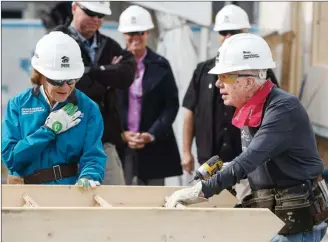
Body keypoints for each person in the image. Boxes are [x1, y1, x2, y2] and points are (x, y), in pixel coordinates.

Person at [165, 33, 328, 242]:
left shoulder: (283, 108)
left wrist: (202, 190)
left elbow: (249, 159)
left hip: (296, 227)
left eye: (225, 77)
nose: (217, 85)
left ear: (249, 82)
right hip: (275, 222)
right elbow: (253, 161)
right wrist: (218, 174)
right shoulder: (255, 109)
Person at [182, 4, 278, 202]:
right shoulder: (203, 70)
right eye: (223, 32)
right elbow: (189, 111)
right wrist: (185, 152)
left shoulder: (260, 71)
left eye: (233, 32)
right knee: (208, 221)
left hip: (245, 164)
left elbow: (271, 114)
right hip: (210, 161)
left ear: (245, 32)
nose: (228, 36)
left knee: (241, 218)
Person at [1, 31, 106, 188]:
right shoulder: (18, 104)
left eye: (71, 80)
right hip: (24, 192)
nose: (65, 87)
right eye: (57, 80)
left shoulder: (89, 108)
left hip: (67, 192)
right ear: (41, 75)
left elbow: (93, 156)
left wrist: (89, 176)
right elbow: (11, 160)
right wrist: (48, 130)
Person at [52, 1, 137, 185]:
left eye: (101, 15)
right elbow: (76, 86)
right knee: (68, 206)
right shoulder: (56, 40)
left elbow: (127, 75)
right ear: (74, 7)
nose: (96, 19)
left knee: (116, 204)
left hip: (103, 140)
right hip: (64, 141)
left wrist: (91, 71)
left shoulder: (109, 44)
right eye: (91, 13)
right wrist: (107, 77)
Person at [116, 5, 183, 186]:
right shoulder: (113, 65)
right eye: (131, 32)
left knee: (154, 199)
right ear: (123, 34)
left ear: (147, 33)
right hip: (121, 145)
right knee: (121, 196)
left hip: (154, 145)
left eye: (141, 32)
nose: (136, 37)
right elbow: (105, 105)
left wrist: (151, 134)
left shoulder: (161, 65)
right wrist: (121, 134)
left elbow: (171, 106)